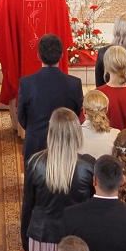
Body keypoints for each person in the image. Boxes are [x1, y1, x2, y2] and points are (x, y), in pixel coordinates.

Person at [19, 110, 96, 251]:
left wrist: (25, 241)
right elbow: (91, 206)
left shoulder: (35, 163)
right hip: (75, 238)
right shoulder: (87, 166)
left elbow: (28, 205)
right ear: (76, 133)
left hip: (43, 234)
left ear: (51, 132)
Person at [0, 0, 72, 106]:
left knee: (18, 78)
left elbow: (2, 28)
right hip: (50, 61)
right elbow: (63, 24)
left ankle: (21, 120)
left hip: (21, 61)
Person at [15, 35, 83, 166]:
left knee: (33, 179)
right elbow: (76, 113)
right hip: (64, 143)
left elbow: (22, 116)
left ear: (39, 56)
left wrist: (34, 130)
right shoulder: (74, 84)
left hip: (35, 144)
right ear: (62, 55)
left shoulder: (27, 83)